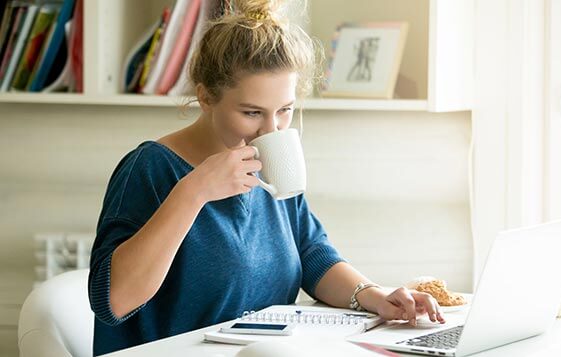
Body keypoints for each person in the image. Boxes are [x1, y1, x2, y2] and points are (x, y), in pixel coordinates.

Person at [88, 0, 445, 355]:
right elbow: (112, 301)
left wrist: (373, 295)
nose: (270, 130)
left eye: (284, 111)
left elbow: (310, 252)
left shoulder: (271, 164)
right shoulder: (150, 168)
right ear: (206, 97)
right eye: (251, 112)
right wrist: (194, 191)